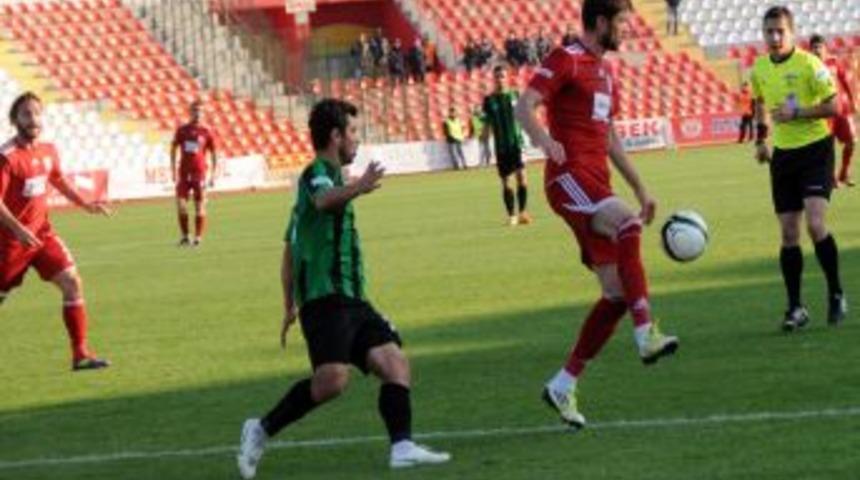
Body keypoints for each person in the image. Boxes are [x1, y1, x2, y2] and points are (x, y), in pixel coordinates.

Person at [236, 99, 450, 479]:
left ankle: (402, 447)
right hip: (325, 301)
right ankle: (260, 429)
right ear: (335, 136)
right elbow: (323, 202)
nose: (356, 140)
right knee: (332, 381)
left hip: (352, 298)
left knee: (394, 362)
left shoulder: (326, 183)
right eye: (352, 132)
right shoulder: (317, 174)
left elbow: (290, 249)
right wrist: (361, 186)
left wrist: (287, 304)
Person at [515, 0, 679, 429]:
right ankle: (646, 332)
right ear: (601, 22)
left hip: (597, 183)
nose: (627, 30)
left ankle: (563, 384)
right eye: (622, 22)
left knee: (615, 294)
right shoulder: (565, 58)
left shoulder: (606, 72)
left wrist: (640, 186)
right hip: (568, 179)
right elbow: (525, 104)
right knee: (627, 224)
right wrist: (544, 141)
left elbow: (609, 138)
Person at [0, 92, 112, 371]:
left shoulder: (48, 150)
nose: (33, 119)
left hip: (42, 236)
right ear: (15, 120)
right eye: (26, 114)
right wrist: (18, 230)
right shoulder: (7, 157)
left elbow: (58, 179)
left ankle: (81, 354)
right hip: (10, 243)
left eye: (37, 113)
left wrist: (85, 203)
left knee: (72, 282)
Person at [751, 7, 847, 330]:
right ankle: (796, 308)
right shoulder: (760, 67)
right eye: (769, 32)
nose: (775, 38)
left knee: (815, 225)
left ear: (792, 33)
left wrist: (799, 112)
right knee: (789, 233)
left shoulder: (810, 63)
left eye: (780, 31)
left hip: (816, 151)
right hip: (784, 157)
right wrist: (761, 139)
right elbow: (760, 100)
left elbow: (835, 106)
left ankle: (836, 293)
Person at [483, 66, 531, 226]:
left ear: (507, 78)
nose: (499, 79)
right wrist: (484, 140)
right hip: (501, 146)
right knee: (506, 182)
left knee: (522, 178)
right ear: (494, 79)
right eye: (497, 77)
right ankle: (512, 215)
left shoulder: (515, 95)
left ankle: (523, 212)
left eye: (502, 76)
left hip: (517, 143)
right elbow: (487, 124)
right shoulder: (489, 100)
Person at [810, 34, 856, 187]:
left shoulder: (834, 62)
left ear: (825, 48)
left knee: (851, 142)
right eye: (814, 47)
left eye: (819, 46)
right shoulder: (809, 67)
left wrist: (852, 100)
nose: (817, 50)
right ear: (811, 50)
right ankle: (831, 178)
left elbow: (844, 80)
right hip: (824, 113)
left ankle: (844, 173)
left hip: (841, 110)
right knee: (827, 147)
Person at [171, 100, 217, 247]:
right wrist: (172, 169)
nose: (197, 113)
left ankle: (198, 237)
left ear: (203, 113)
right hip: (183, 174)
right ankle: (185, 236)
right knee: (181, 205)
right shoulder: (182, 130)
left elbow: (214, 153)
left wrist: (213, 175)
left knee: (200, 206)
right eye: (195, 111)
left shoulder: (207, 131)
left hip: (200, 174)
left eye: (200, 111)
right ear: (190, 112)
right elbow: (173, 149)